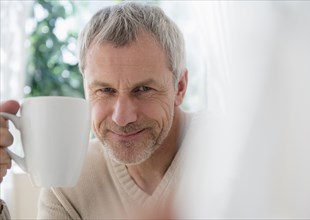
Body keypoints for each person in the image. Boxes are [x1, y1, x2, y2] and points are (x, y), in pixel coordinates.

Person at [0, 2, 196, 218]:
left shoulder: (231, 154)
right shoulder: (69, 181)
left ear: (180, 87)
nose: (121, 118)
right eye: (105, 90)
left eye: (143, 89)